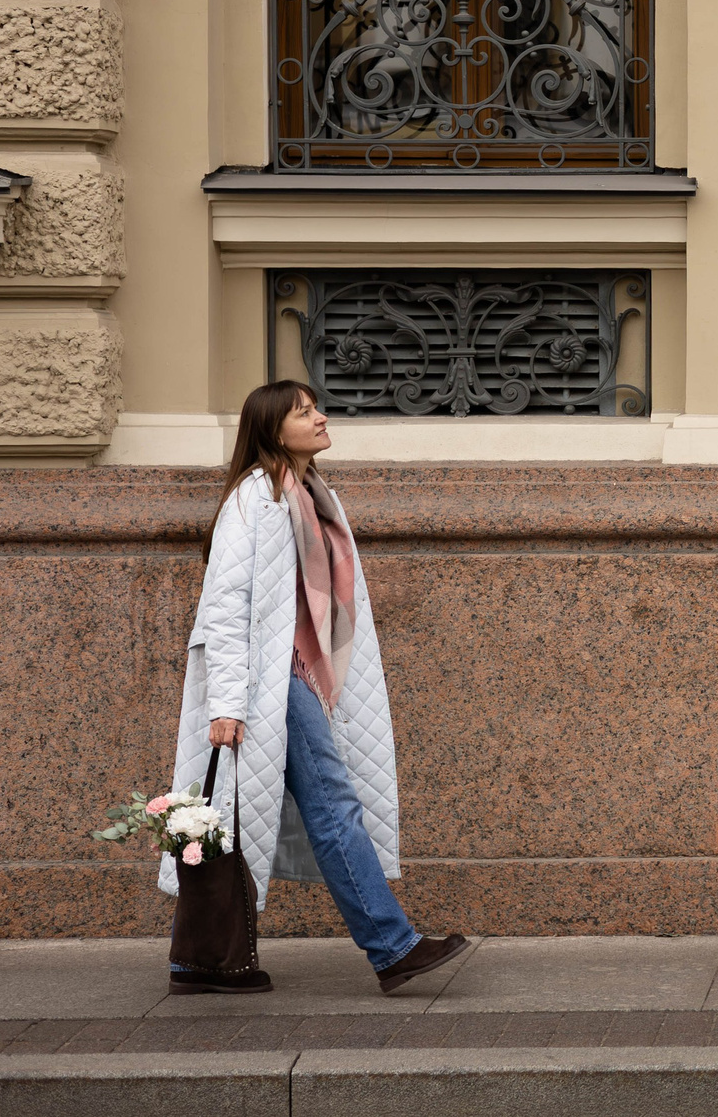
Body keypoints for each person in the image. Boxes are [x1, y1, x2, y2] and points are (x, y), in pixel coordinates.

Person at [161, 379, 467, 995]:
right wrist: (226, 703)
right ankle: (392, 948)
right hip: (273, 679)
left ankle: (198, 962)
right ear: (275, 430)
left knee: (249, 817)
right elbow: (223, 606)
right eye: (305, 412)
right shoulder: (255, 499)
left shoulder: (309, 493)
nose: (321, 417)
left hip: (299, 673)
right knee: (331, 805)